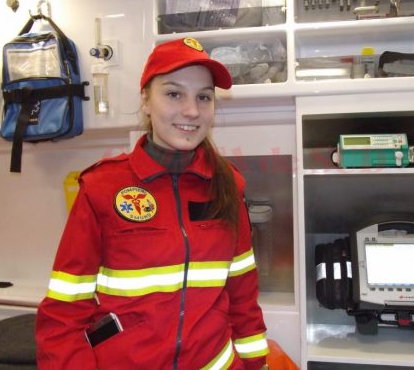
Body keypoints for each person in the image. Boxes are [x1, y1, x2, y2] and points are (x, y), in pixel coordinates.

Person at [35, 37, 269, 369]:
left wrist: (256, 363)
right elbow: (64, 312)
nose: (192, 110)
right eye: (174, 94)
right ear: (146, 100)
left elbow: (243, 294)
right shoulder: (102, 187)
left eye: (204, 97)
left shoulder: (227, 184)